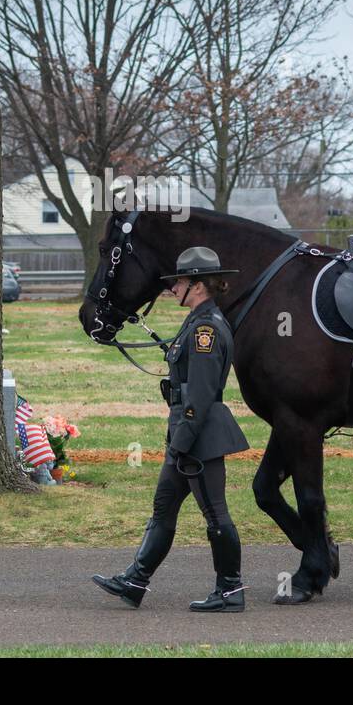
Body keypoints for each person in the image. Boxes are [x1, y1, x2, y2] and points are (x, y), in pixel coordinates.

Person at [92, 246, 250, 612]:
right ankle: (135, 580)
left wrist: (181, 444)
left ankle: (230, 591)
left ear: (197, 285)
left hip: (198, 436)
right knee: (163, 510)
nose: (173, 287)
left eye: (178, 281)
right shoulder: (197, 321)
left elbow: (201, 394)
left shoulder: (206, 328)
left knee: (215, 514)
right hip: (186, 432)